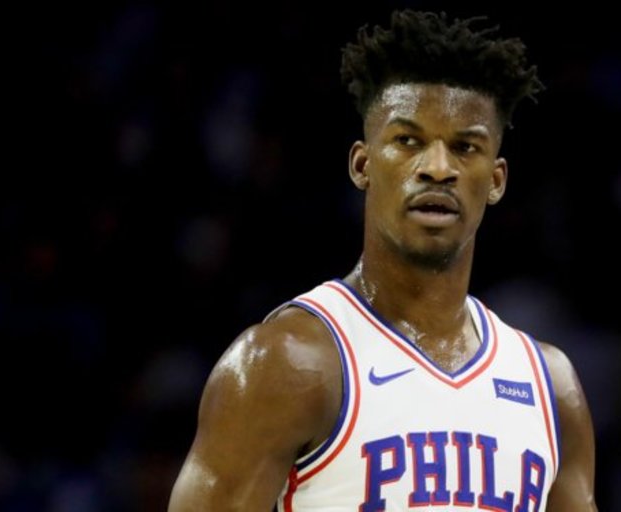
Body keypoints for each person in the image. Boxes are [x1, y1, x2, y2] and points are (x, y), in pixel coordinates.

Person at [168, 10, 596, 511]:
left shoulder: (550, 388)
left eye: (465, 147)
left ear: (496, 180)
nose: (438, 168)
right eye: (408, 141)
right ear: (362, 164)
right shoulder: (287, 363)